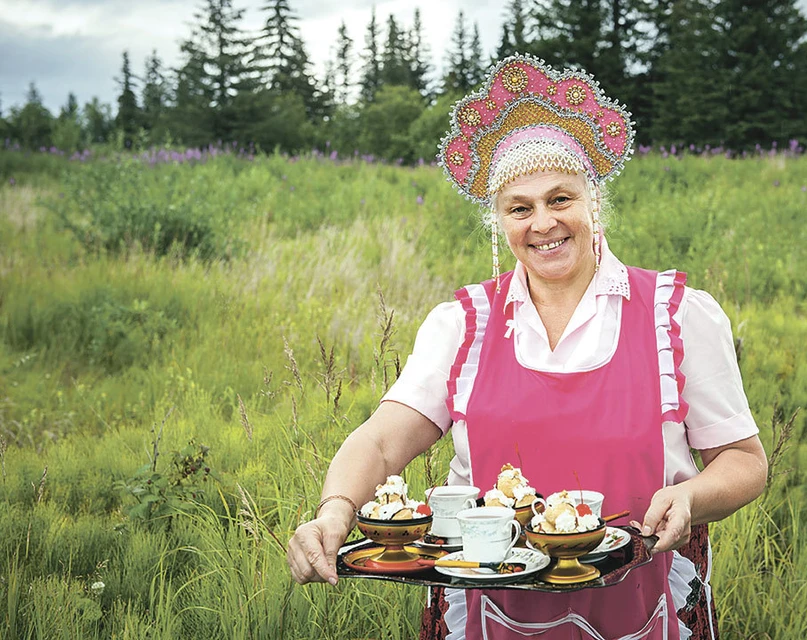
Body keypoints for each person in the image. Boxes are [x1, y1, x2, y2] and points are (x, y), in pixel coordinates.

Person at [287, 54, 768, 639]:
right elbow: (384, 441)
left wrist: (692, 496)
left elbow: (745, 463)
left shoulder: (677, 315)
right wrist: (335, 510)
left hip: (645, 606)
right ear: (500, 223)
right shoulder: (461, 324)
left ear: (594, 201)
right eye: (520, 208)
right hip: (487, 615)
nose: (543, 223)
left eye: (560, 198)